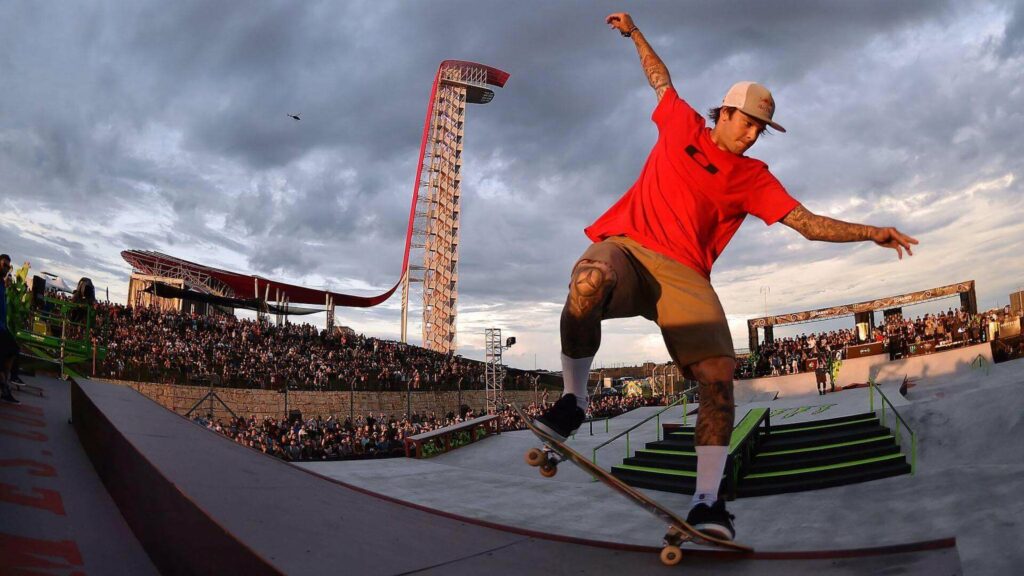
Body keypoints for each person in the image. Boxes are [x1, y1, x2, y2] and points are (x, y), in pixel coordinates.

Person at [534, 12, 918, 541]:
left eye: (762, 129)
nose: (754, 135)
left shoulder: (754, 178)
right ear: (726, 112)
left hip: (686, 275)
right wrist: (636, 33)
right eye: (749, 123)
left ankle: (708, 501)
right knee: (588, 281)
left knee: (718, 376)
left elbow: (806, 224)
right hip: (630, 247)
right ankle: (574, 401)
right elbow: (658, 77)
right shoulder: (681, 123)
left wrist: (869, 231)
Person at [0, 254, 21, 403]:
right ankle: (5, 388)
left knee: (12, 351)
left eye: (8, 266)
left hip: (3, 326)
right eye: (4, 265)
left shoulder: (2, 283)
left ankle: (5, 387)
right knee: (12, 350)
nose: (6, 268)